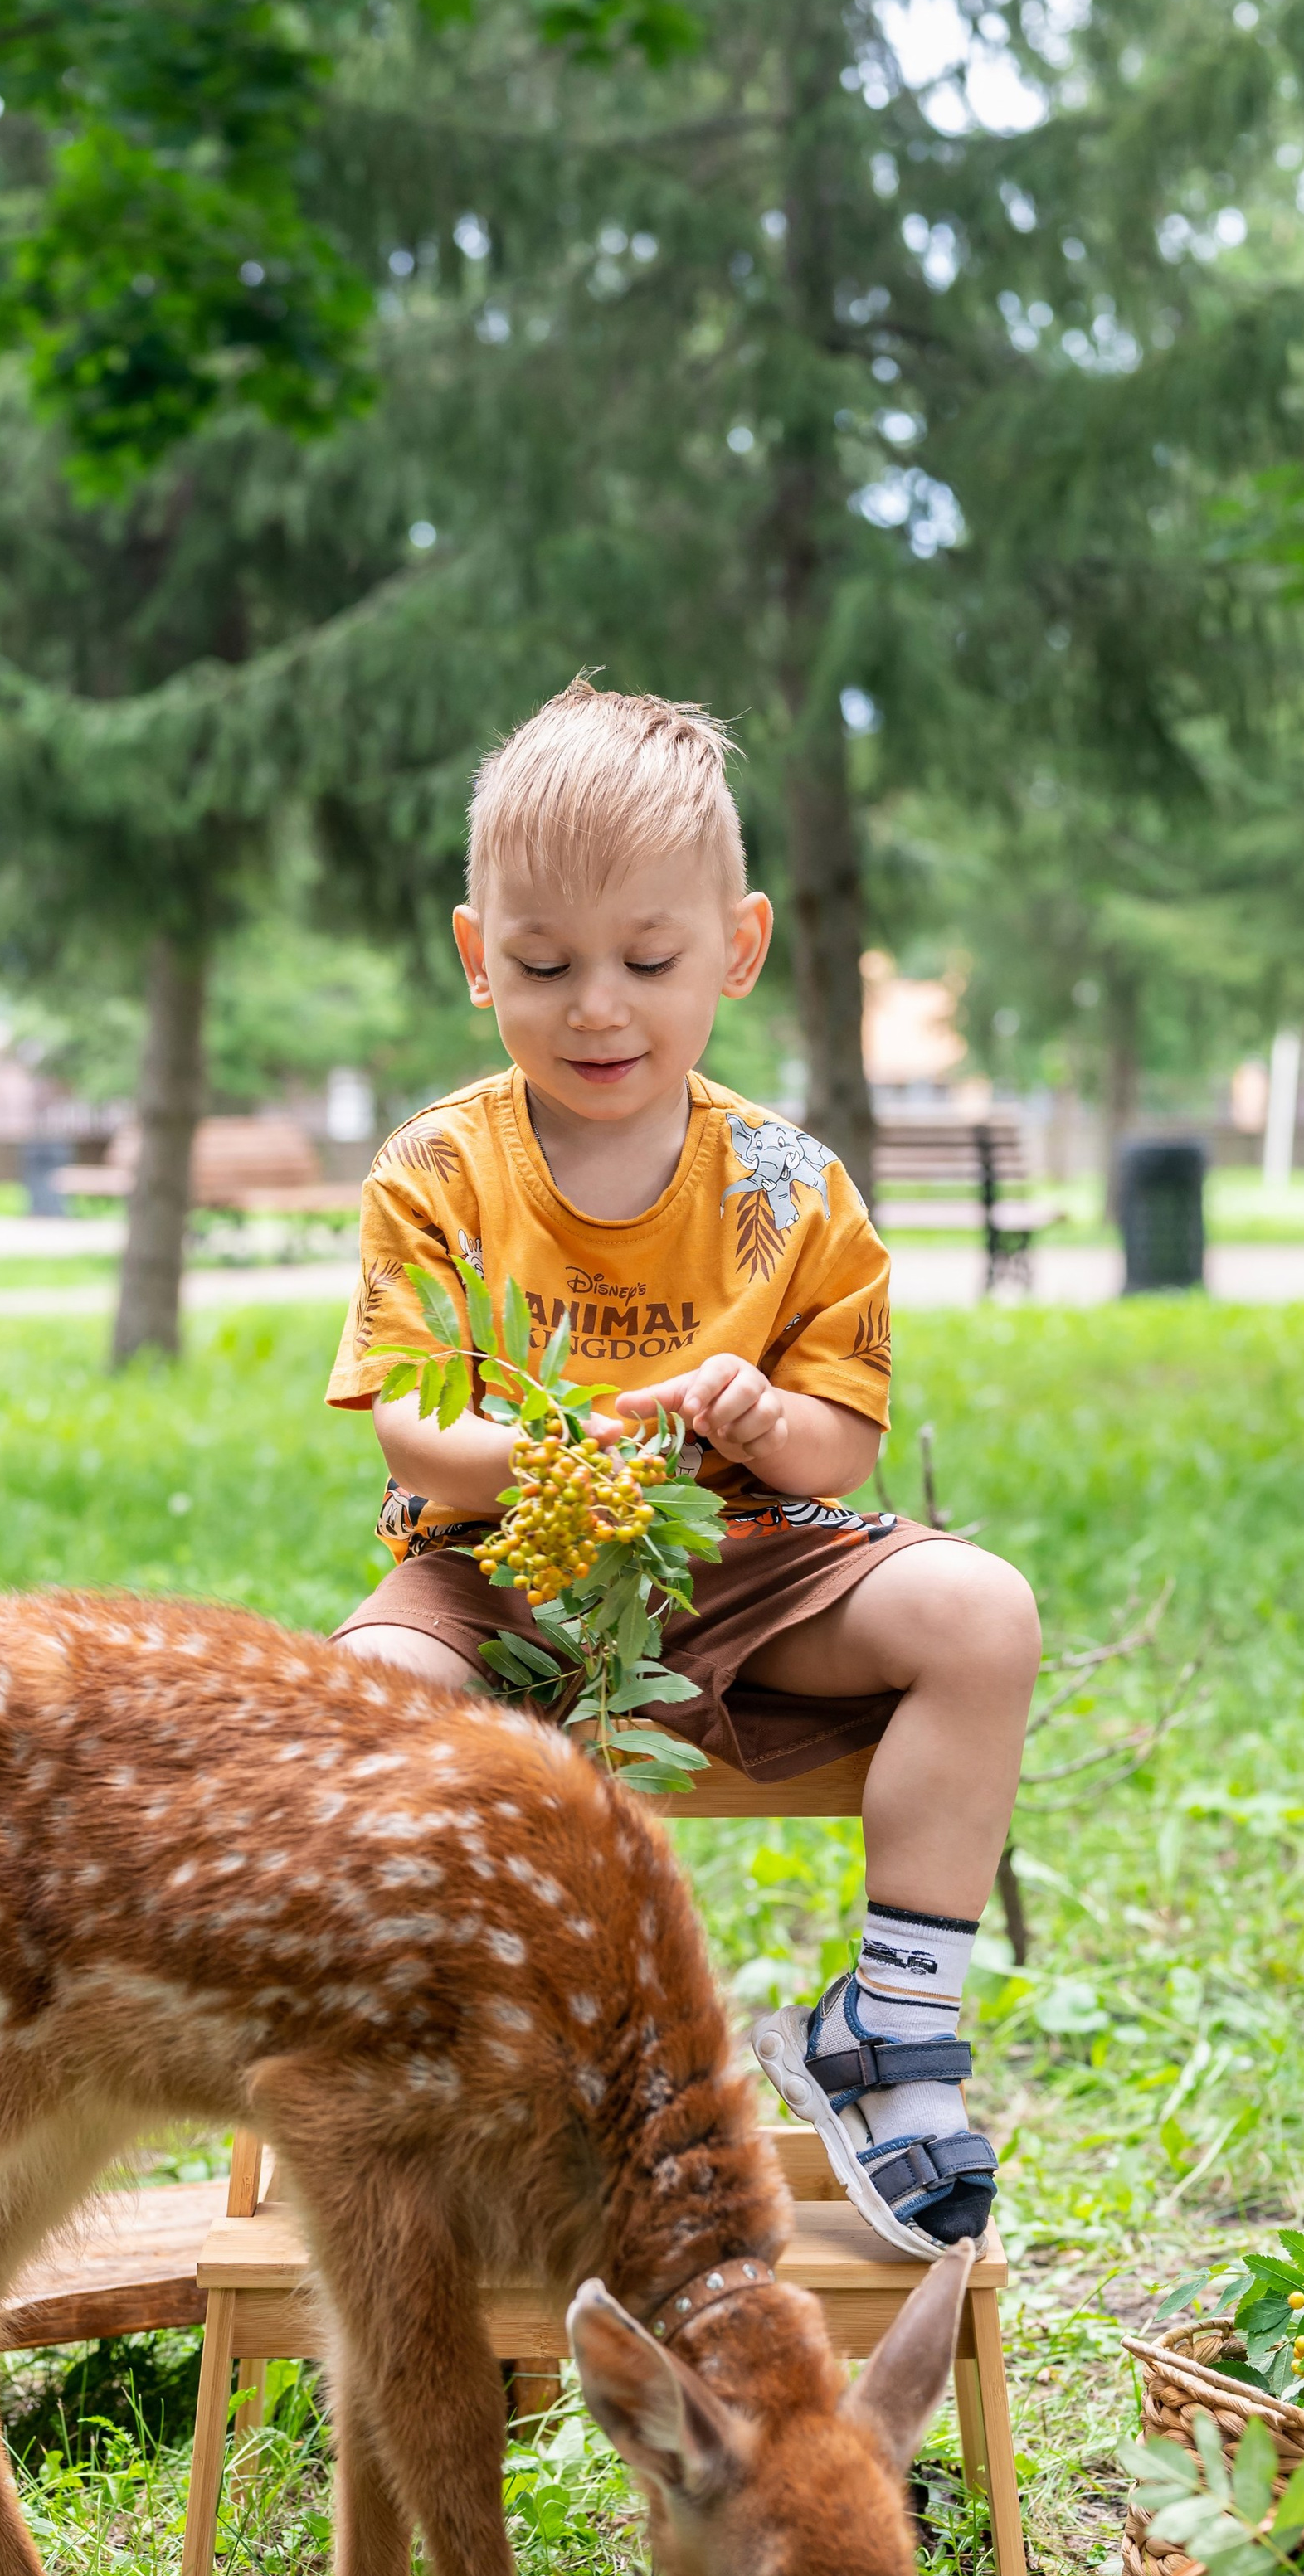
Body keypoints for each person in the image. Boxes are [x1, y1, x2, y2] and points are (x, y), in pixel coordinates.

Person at [324, 677, 1039, 2257]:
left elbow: (840, 1439)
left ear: (737, 946)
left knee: (982, 1611)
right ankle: (453, 2062)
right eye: (543, 964)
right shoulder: (441, 1171)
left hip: (753, 1550)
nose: (598, 1008)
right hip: (499, 1561)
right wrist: (558, 1443)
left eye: (649, 962)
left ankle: (893, 2030)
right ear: (472, 957)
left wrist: (758, 1421)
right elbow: (410, 1424)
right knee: (363, 1696)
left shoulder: (790, 1186)